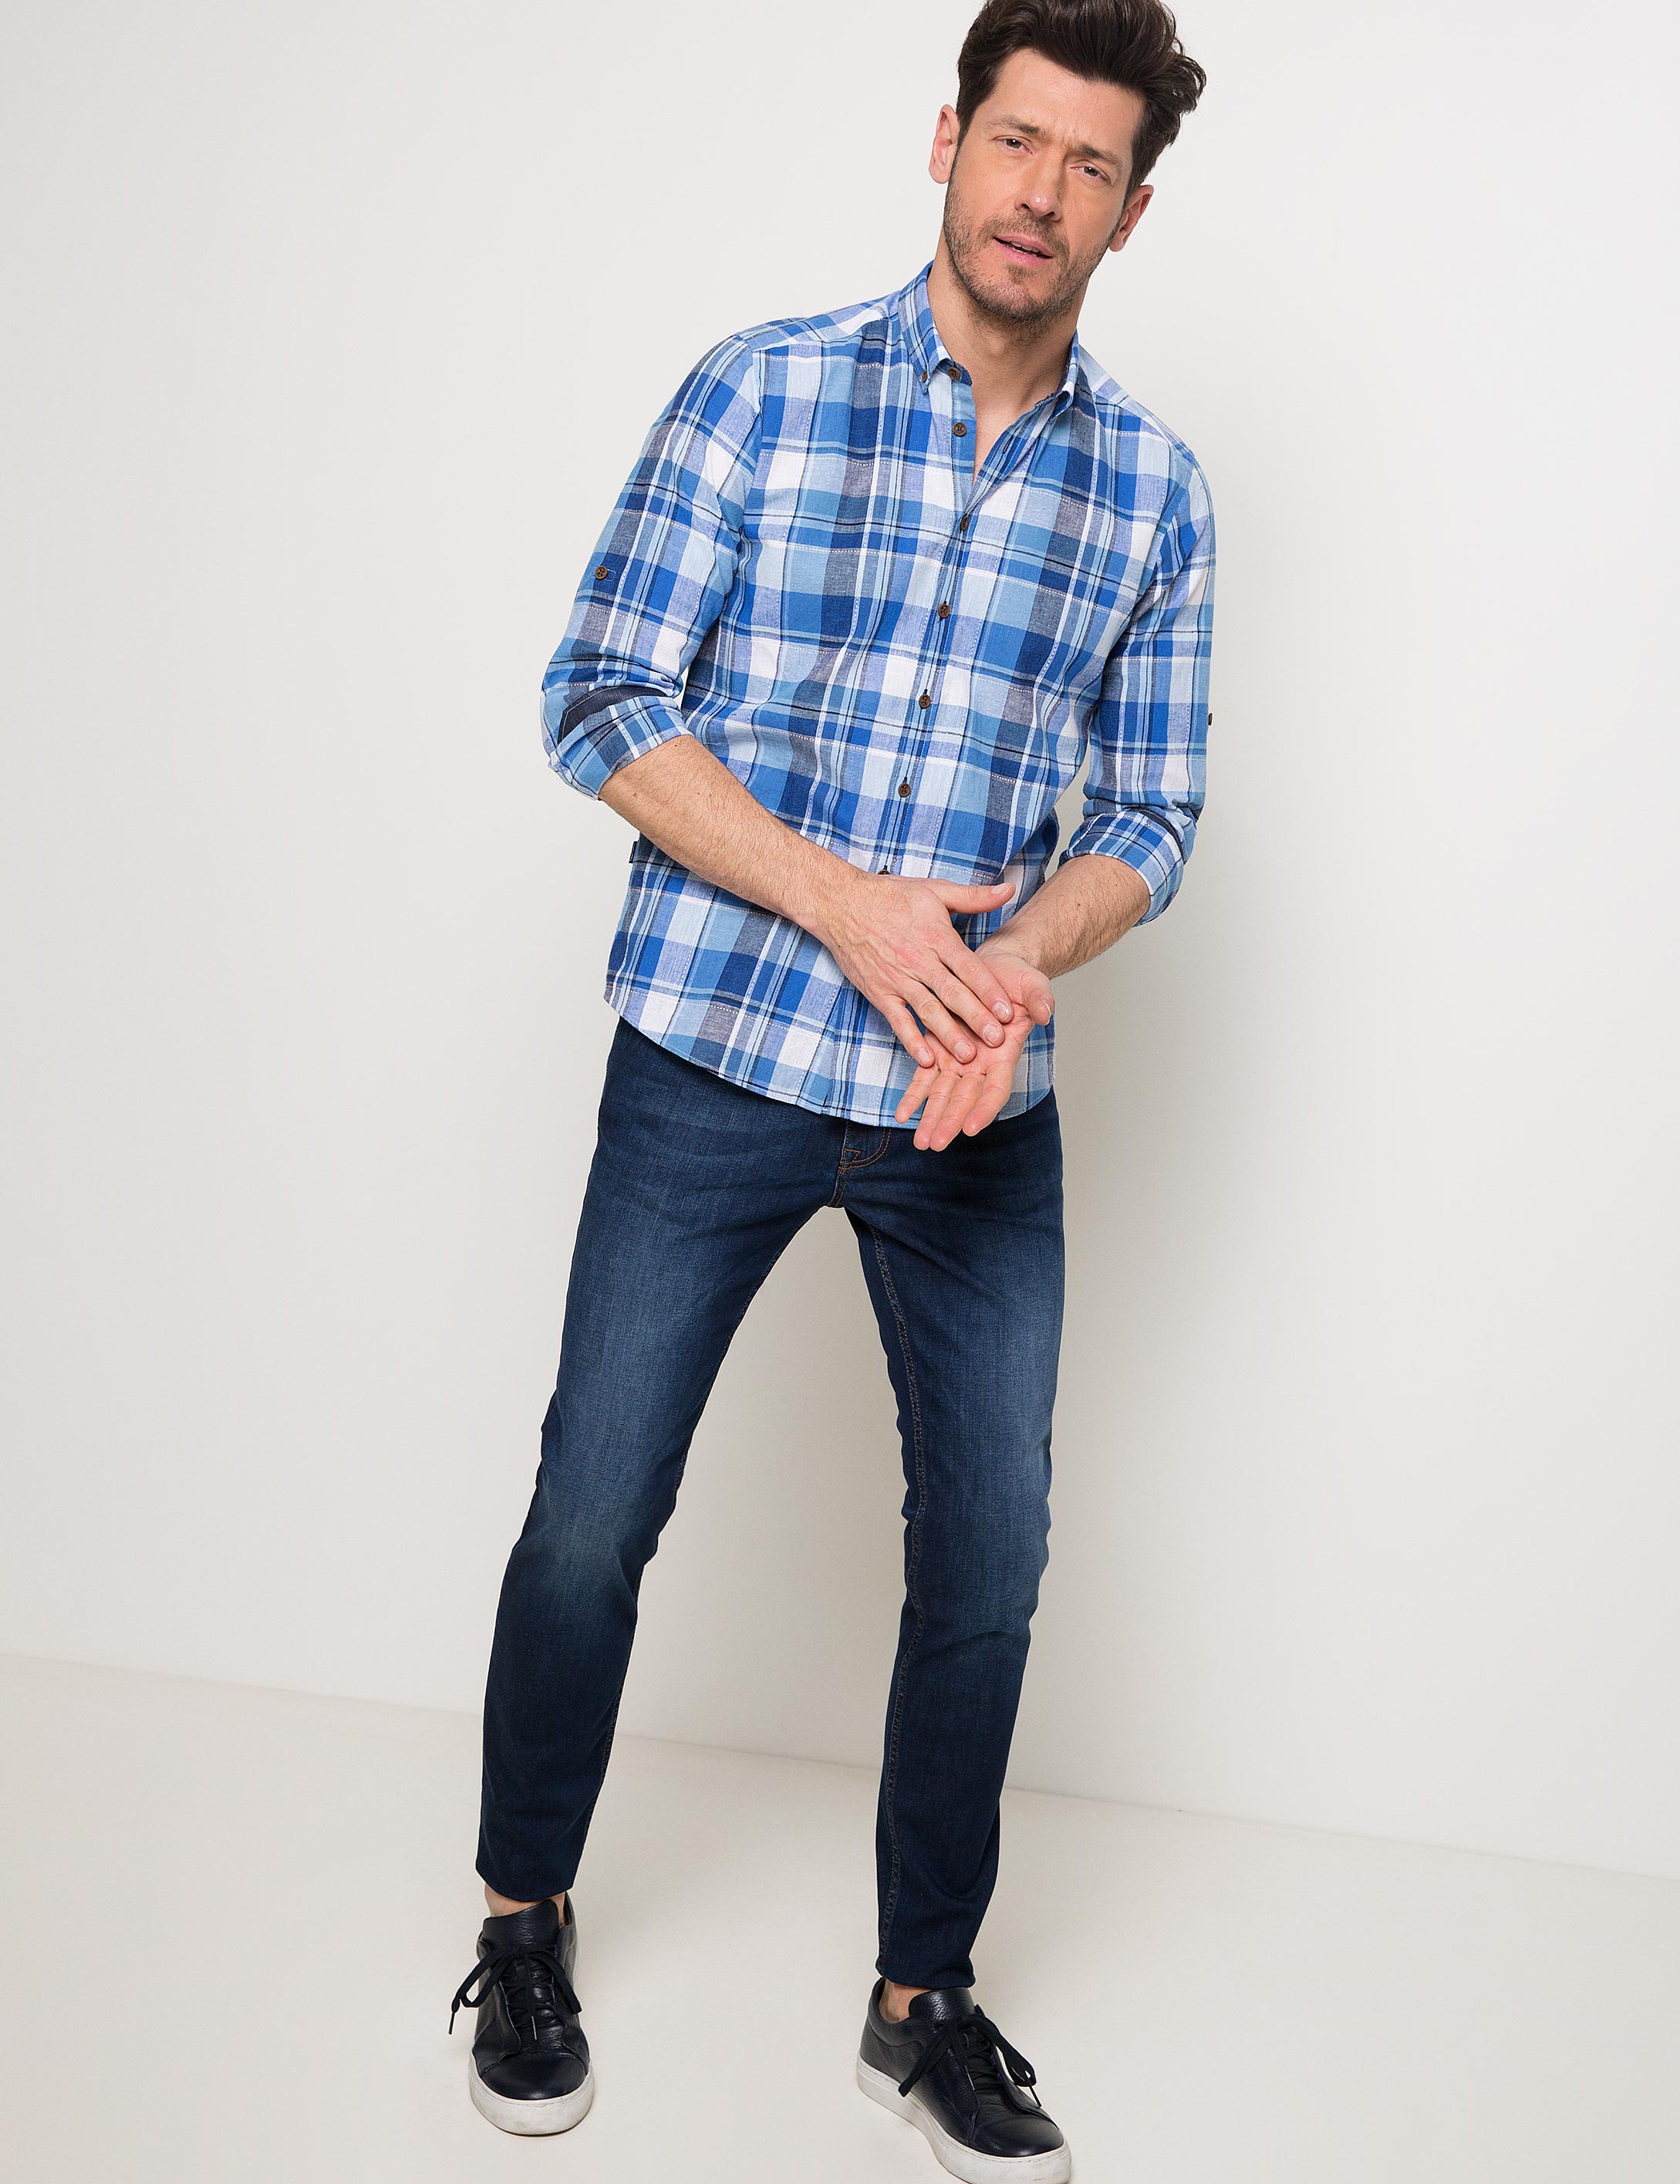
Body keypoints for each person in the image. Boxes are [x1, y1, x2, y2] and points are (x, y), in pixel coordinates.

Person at [448, 2, 1213, 2173]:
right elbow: (600, 696)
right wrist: (849, 910)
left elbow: (1149, 817)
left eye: (1088, 164)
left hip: (970, 1104)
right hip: (714, 1050)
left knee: (990, 1555)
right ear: (946, 139)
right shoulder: (761, 388)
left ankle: (918, 1998)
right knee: (594, 1514)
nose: (1040, 191)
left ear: (1131, 212)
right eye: (1016, 139)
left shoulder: (1154, 490)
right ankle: (520, 1921)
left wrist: (1012, 960)